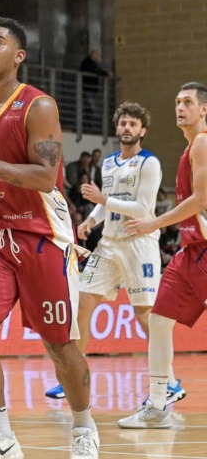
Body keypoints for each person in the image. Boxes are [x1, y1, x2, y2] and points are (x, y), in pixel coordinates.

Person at [0, 18, 98, 459]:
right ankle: (1, 436)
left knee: (59, 345)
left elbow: (46, 176)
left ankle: (85, 428)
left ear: (19, 56)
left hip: (41, 235)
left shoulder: (39, 106)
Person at [44, 102, 177, 402]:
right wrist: (91, 219)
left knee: (146, 316)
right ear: (117, 128)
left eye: (133, 124)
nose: (127, 128)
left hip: (138, 244)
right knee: (82, 306)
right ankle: (72, 379)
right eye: (123, 123)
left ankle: (169, 381)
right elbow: (107, 203)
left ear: (142, 130)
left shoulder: (150, 163)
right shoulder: (108, 162)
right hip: (109, 243)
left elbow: (144, 208)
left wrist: (103, 198)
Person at [117, 83, 207, 429]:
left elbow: (199, 200)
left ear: (204, 110)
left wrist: (154, 222)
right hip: (189, 252)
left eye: (187, 102)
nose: (179, 107)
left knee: (158, 321)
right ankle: (157, 403)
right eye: (177, 101)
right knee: (157, 321)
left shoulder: (201, 143)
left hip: (203, 250)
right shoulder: (189, 149)